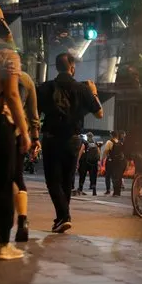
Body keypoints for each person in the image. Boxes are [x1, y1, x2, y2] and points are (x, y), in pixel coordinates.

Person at [37, 53, 103, 233]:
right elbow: (99, 114)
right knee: (67, 180)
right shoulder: (82, 89)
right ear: (72, 68)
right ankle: (61, 218)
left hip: (52, 138)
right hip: (73, 140)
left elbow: (34, 111)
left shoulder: (45, 88)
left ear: (57, 67)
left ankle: (64, 216)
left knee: (53, 181)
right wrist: (93, 92)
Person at [0, 71, 40, 243]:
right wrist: (34, 137)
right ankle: (23, 223)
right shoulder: (26, 79)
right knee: (17, 176)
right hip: (18, 131)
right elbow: (33, 112)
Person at [101, 131, 125, 197]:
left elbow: (105, 151)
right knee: (117, 176)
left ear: (111, 135)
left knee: (108, 176)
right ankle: (117, 192)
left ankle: (108, 190)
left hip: (111, 161)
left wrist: (102, 160)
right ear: (117, 136)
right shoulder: (120, 143)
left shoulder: (109, 142)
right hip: (119, 162)